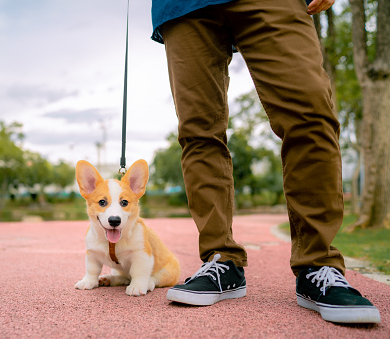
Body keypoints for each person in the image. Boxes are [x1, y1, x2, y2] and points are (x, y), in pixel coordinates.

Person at [151, 0, 381, 324]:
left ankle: (318, 264)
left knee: (310, 115)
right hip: (183, 6)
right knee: (198, 132)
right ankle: (222, 260)